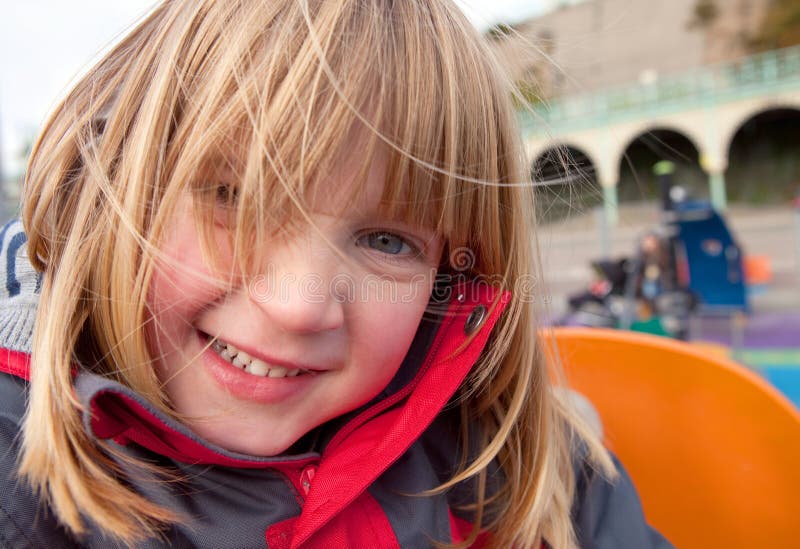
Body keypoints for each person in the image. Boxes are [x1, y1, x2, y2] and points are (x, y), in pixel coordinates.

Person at [0, 1, 673, 547]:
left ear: (450, 275)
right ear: (115, 183)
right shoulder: (15, 481)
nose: (300, 307)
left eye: (387, 240)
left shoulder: (525, 468)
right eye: (239, 197)